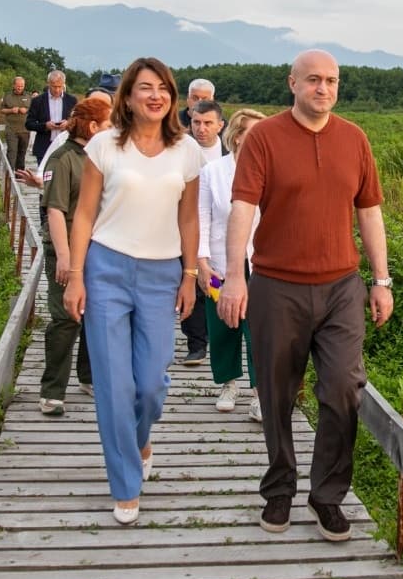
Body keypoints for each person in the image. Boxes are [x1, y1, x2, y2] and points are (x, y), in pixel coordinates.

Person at [218, 50, 393, 542]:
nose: (323, 88)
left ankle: (327, 496)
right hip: (276, 285)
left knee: (342, 388)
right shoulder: (265, 139)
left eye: (332, 81)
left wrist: (381, 280)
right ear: (292, 83)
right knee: (275, 392)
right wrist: (236, 275)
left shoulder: (354, 139)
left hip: (341, 287)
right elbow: (242, 209)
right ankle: (279, 489)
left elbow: (370, 212)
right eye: (313, 79)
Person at [64, 57, 202, 526]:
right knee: (114, 385)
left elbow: (188, 218)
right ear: (127, 96)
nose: (154, 95)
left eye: (163, 87)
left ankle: (142, 438)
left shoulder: (186, 152)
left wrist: (189, 276)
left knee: (149, 384)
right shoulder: (105, 145)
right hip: (105, 268)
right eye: (144, 87)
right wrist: (77, 273)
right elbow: (83, 214)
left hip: (163, 274)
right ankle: (125, 483)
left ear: (172, 97)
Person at [37, 97, 111, 415]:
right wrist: (65, 258)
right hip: (66, 250)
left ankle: (89, 376)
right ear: (93, 127)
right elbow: (55, 210)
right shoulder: (63, 159)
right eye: (108, 126)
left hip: (98, 249)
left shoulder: (99, 158)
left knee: (94, 316)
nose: (113, 132)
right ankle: (52, 391)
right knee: (66, 318)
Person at [197, 108, 266, 418]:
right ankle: (228, 382)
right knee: (222, 322)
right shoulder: (213, 172)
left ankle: (259, 392)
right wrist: (201, 261)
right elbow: (202, 217)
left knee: (260, 328)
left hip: (261, 262)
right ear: (238, 137)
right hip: (219, 263)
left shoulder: (271, 170)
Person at [178, 98, 228, 365]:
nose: (201, 128)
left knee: (214, 285)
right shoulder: (179, 150)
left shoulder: (228, 156)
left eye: (208, 123)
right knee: (189, 281)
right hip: (183, 227)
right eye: (196, 122)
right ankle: (196, 344)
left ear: (220, 125)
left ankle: (216, 331)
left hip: (217, 234)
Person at [26, 70, 76, 165]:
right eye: (54, 86)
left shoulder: (71, 100)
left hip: (65, 146)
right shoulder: (38, 101)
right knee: (43, 177)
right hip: (44, 146)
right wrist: (45, 126)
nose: (57, 90)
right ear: (48, 84)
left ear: (64, 84)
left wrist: (68, 123)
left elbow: (78, 122)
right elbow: (29, 124)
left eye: (60, 86)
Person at [0, 76, 32, 176]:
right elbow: (2, 110)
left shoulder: (29, 96)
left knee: (21, 153)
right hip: (11, 129)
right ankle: (9, 174)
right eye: (18, 86)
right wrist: (11, 110)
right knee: (12, 152)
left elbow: (33, 110)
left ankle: (20, 174)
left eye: (22, 86)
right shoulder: (7, 96)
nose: (20, 88)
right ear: (14, 85)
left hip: (25, 130)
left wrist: (26, 110)